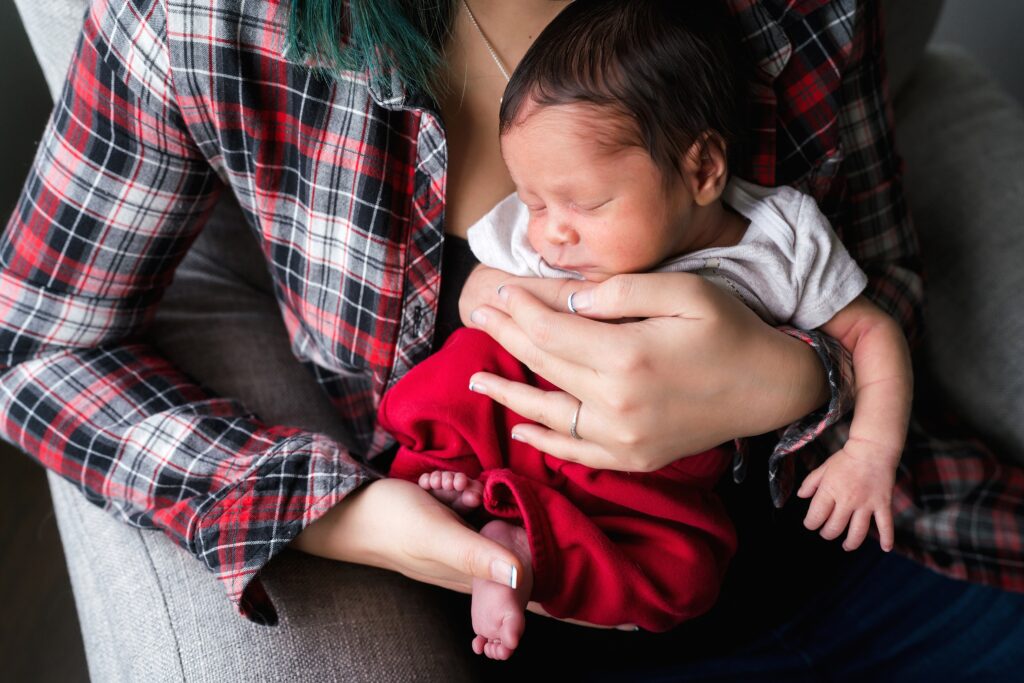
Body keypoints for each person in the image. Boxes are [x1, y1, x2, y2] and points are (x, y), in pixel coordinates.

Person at [1, 0, 1023, 679]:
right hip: (554, 607)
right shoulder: (199, 21)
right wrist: (343, 514)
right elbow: (35, 346)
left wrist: (791, 383)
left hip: (879, 551)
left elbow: (877, 282)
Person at [380, 0, 909, 660]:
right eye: (534, 201)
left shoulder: (781, 238)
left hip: (657, 473)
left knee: (686, 574)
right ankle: (468, 490)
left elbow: (873, 331)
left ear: (701, 170)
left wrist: (868, 452)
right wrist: (564, 297)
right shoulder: (546, 232)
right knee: (467, 368)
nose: (550, 230)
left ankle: (519, 549)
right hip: (526, 428)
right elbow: (478, 295)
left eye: (587, 203)